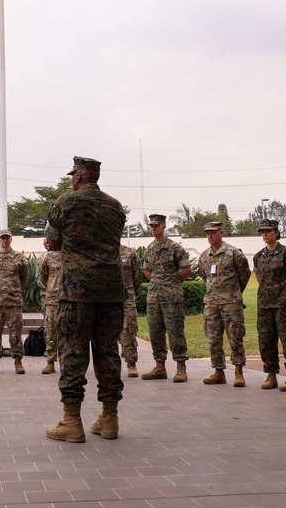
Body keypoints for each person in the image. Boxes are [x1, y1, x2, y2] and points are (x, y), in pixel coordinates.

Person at [45, 156, 126, 443]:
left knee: (73, 353)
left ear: (78, 177)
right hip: (111, 292)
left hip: (76, 292)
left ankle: (71, 421)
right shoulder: (115, 206)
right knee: (107, 351)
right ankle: (110, 418)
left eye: (73, 176)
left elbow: (53, 243)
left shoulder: (65, 203)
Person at [197, 221, 250, 387]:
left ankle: (239, 372)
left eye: (213, 232)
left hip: (231, 303)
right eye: (207, 233)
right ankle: (218, 371)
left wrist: (233, 293)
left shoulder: (234, 253)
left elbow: (244, 275)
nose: (210, 236)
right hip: (211, 304)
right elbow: (205, 277)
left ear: (221, 232)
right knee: (213, 339)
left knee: (235, 337)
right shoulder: (204, 256)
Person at [140, 214, 192, 382]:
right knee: (155, 332)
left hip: (171, 298)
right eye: (151, 226)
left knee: (175, 331)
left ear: (164, 226)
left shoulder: (174, 247)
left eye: (156, 225)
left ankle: (181, 368)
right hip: (154, 298)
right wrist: (157, 282)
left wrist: (172, 283)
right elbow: (146, 271)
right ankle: (160, 367)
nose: (153, 228)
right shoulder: (150, 248)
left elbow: (186, 269)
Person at [253, 218, 286, 391]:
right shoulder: (259, 256)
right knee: (266, 340)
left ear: (277, 232)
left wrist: (283, 295)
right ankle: (271, 374)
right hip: (265, 304)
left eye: (268, 231)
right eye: (262, 232)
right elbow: (260, 279)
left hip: (284, 305)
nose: (265, 234)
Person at [0, 228, 28, 375]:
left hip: (13, 302)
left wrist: (16, 292)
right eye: (2, 237)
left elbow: (24, 278)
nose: (5, 240)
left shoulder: (19, 257)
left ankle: (18, 362)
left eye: (7, 237)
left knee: (15, 333)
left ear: (11, 239)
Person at [37, 239, 62, 374]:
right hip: (52, 300)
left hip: (69, 300)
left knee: (68, 333)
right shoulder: (48, 257)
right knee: (51, 331)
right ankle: (50, 362)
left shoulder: (72, 255)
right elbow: (43, 276)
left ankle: (66, 363)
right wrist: (52, 288)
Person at [119, 245, 144, 377]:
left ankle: (131, 363)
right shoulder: (101, 252)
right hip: (106, 301)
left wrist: (128, 291)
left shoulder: (129, 253)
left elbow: (138, 276)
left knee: (129, 331)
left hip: (126, 299)